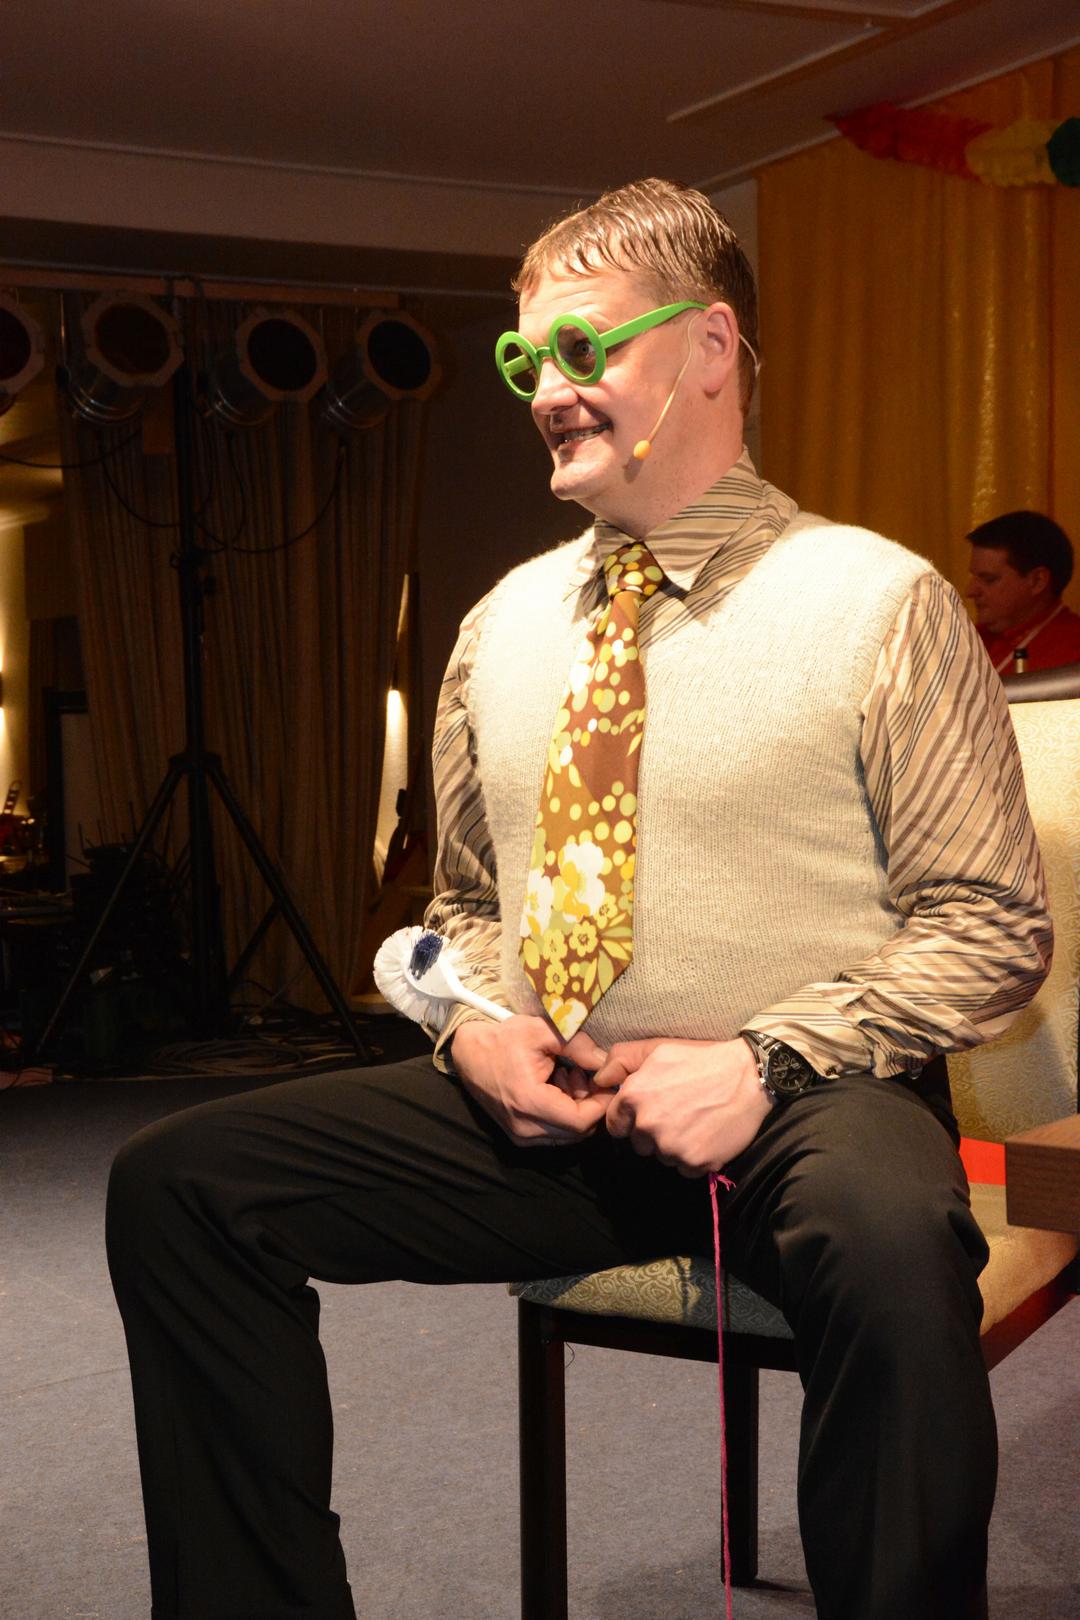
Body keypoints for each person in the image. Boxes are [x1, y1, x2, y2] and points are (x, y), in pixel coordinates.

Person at [107, 179, 1052, 1620]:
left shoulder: (879, 602)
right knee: (179, 1190)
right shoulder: (500, 625)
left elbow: (991, 924)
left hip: (811, 1104)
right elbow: (464, 908)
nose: (544, 390)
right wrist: (472, 1027)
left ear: (713, 346)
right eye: (523, 358)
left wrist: (765, 1060)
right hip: (560, 1113)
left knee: (891, 1248)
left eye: (581, 349)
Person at [967, 509, 1080, 674]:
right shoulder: (970, 640)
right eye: (974, 577)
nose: (970, 591)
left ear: (1037, 581)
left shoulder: (1073, 654)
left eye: (989, 580)